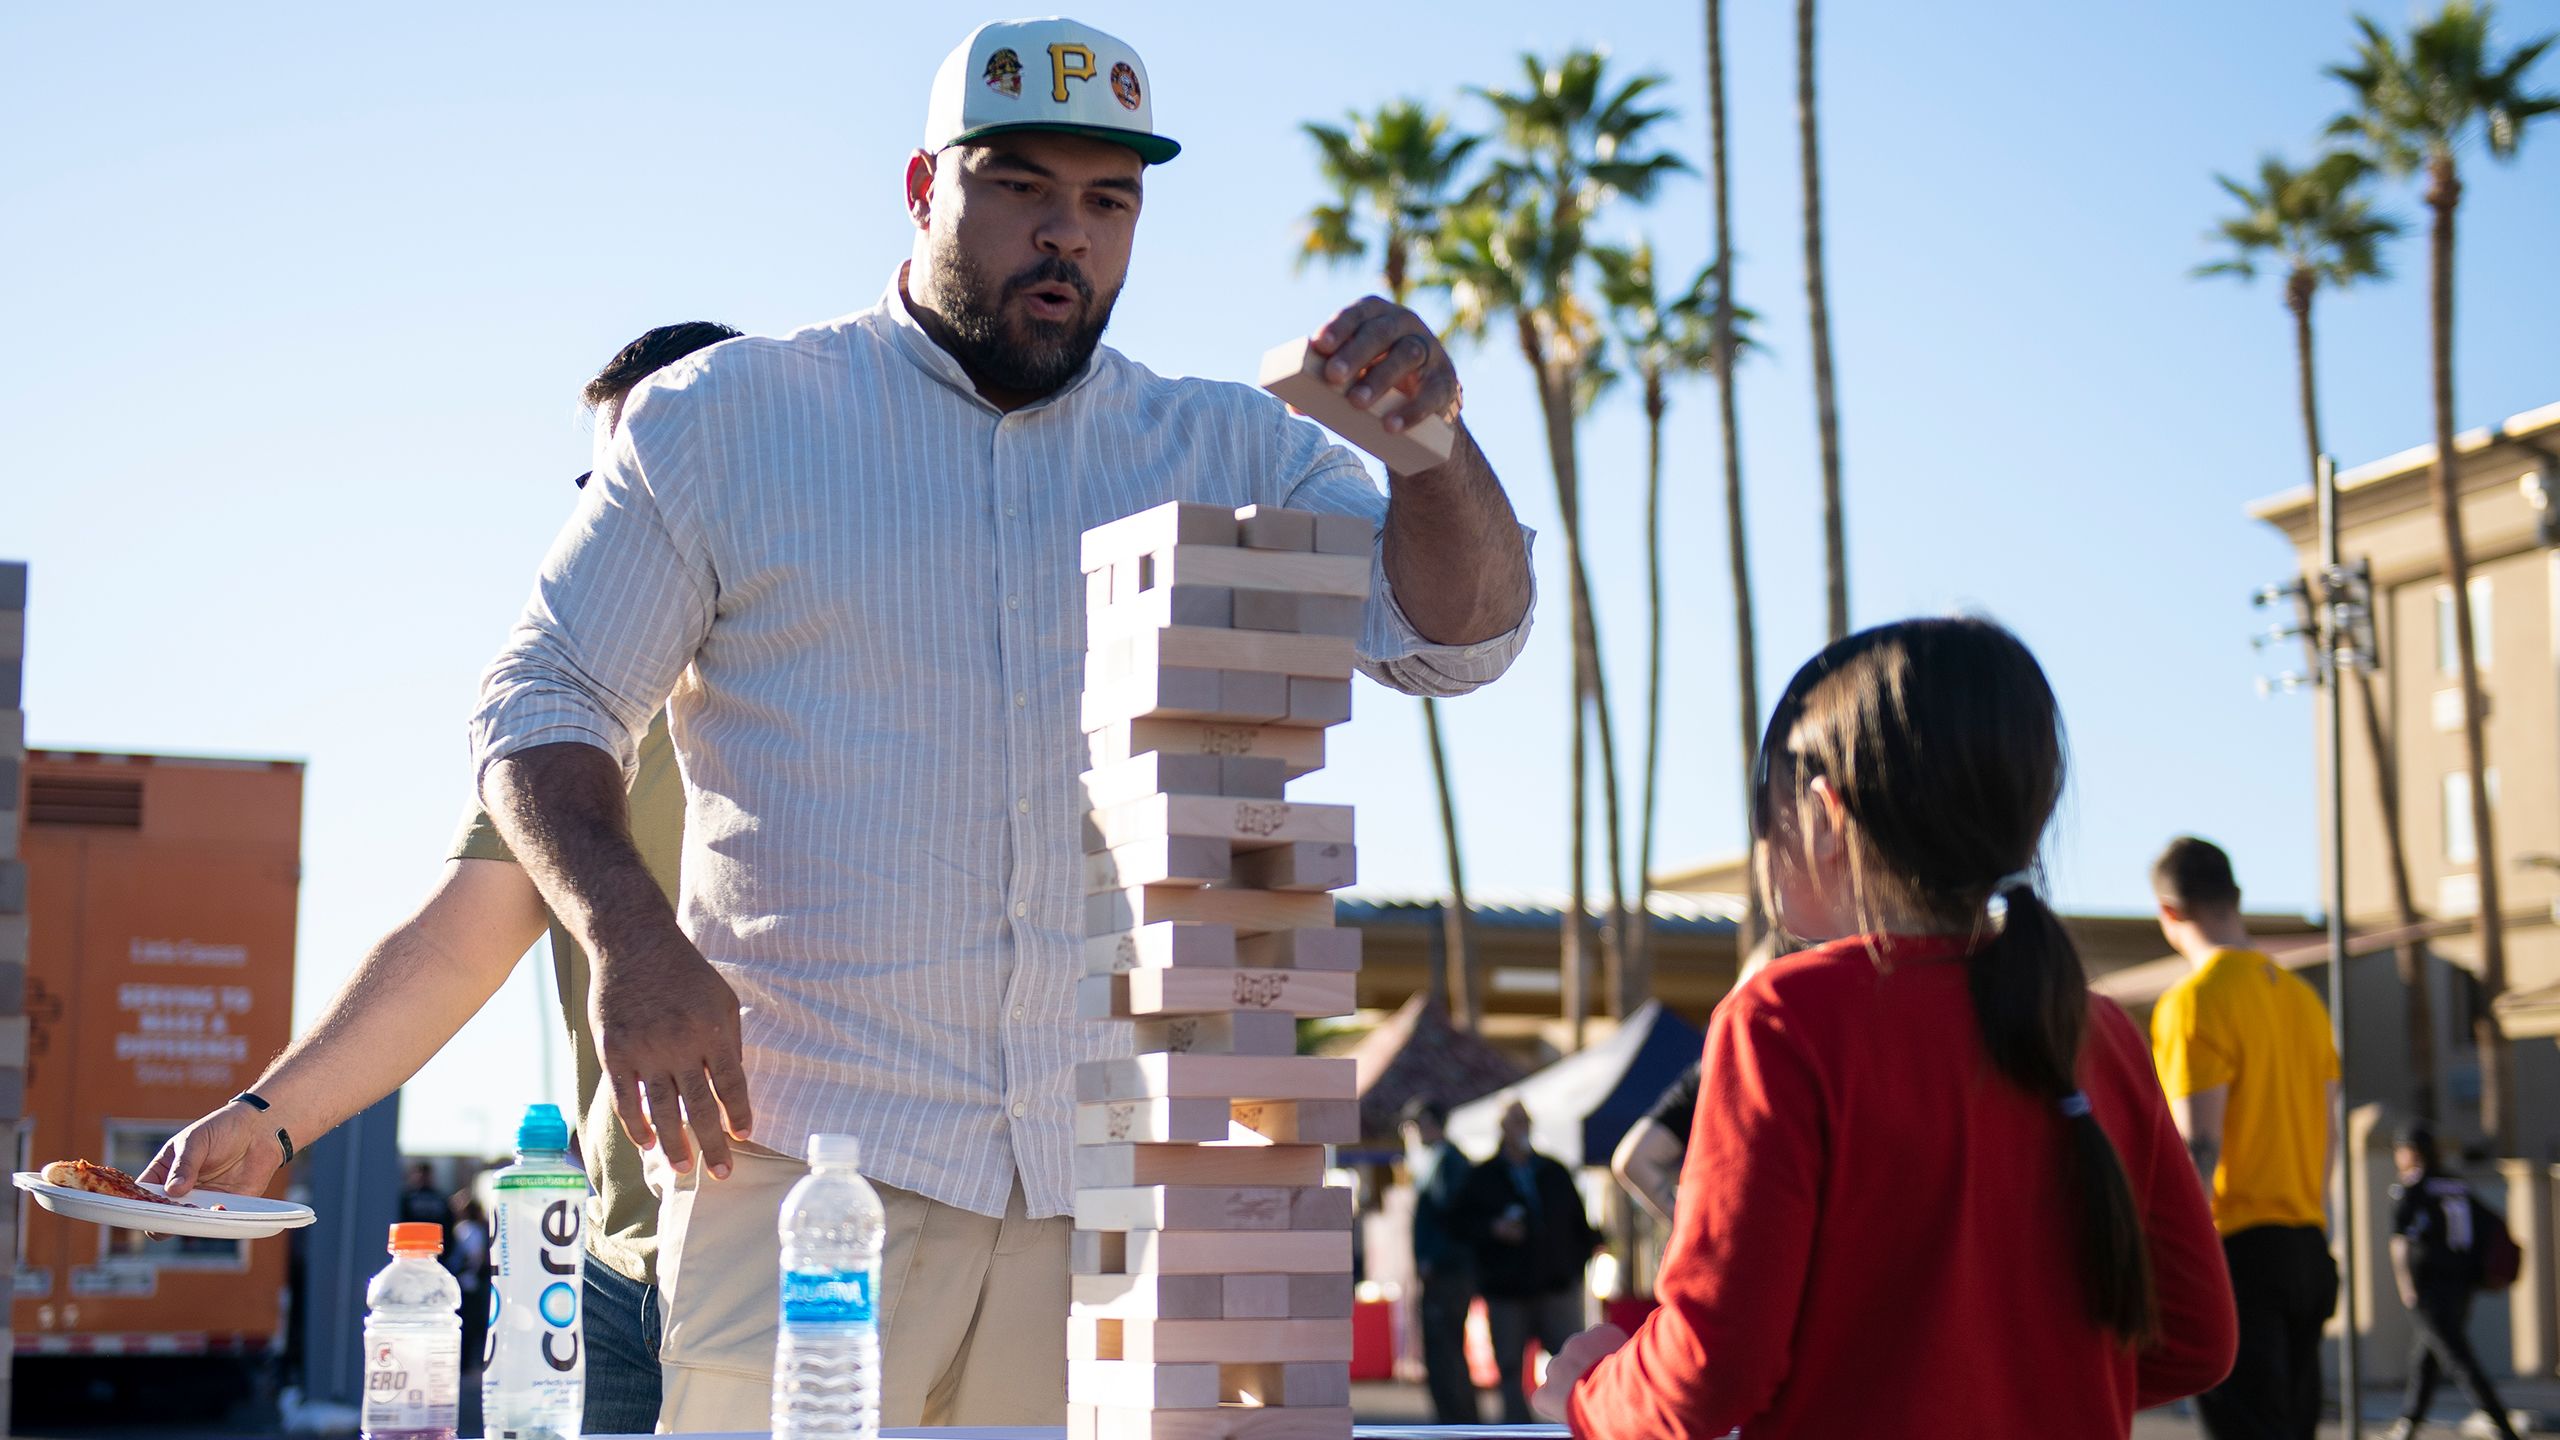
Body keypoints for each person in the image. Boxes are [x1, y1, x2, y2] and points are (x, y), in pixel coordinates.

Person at [467, 18, 1534, 1432]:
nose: (1065, 237)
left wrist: (1432, 452)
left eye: (1108, 202)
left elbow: (1457, 641)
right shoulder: (727, 418)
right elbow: (540, 697)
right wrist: (629, 934)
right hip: (801, 1185)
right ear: (923, 188)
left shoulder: (1224, 446)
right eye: (1020, 187)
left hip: (1100, 1218)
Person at [140, 319, 742, 1438]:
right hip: (620, 1281)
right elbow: (448, 947)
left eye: (636, 477)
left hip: (800, 1278)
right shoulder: (579, 727)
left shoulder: (841, 680)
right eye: (594, 482)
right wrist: (268, 1120)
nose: (604, 516)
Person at [1534, 618, 2238, 1438]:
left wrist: (1592, 1390)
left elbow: (1710, 1367)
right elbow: (2197, 1338)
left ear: (1826, 817)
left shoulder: (1782, 1020)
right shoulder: (2100, 1032)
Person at [2150, 835, 2341, 1440]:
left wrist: (2171, 1266)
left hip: (2238, 1253)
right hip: (2308, 1245)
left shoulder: (2195, 1001)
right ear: (2236, 898)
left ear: (2169, 912)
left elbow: (2196, 1147)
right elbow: (2329, 1134)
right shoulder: (2305, 1003)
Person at [1454, 1100, 1596, 1424]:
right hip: (1506, 1289)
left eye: (1524, 1120)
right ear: (1502, 1127)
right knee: (1509, 1368)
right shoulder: (1483, 1176)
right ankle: (1517, 1430)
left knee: (1571, 1361)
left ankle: (1576, 1424)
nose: (1520, 1126)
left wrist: (1574, 1267)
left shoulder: (1552, 1171)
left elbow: (1578, 1224)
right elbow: (1459, 1224)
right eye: (1513, 1120)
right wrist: (1494, 1229)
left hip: (1556, 1285)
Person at [2386, 1123, 2523, 1440]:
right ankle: (2408, 1423)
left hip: (2431, 1288)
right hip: (2461, 1287)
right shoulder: (2455, 1184)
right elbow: (2492, 1223)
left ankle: (2503, 1426)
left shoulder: (2412, 1187)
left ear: (2411, 1152)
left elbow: (2401, 1241)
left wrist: (2406, 1286)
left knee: (2458, 1360)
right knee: (2425, 1357)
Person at [1400, 1095, 1478, 1424]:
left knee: (1445, 1350)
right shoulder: (1440, 1160)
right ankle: (1453, 1421)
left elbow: (1451, 1215)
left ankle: (1457, 1423)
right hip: (1445, 1270)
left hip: (1448, 1273)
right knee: (1442, 1350)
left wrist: (1433, 1258)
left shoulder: (1448, 1163)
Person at [1609, 1060, 1698, 1226]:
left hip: (1730, 1232)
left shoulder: (1711, 1068)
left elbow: (1633, 1161)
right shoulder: (1708, 1070)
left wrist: (1687, 1225)